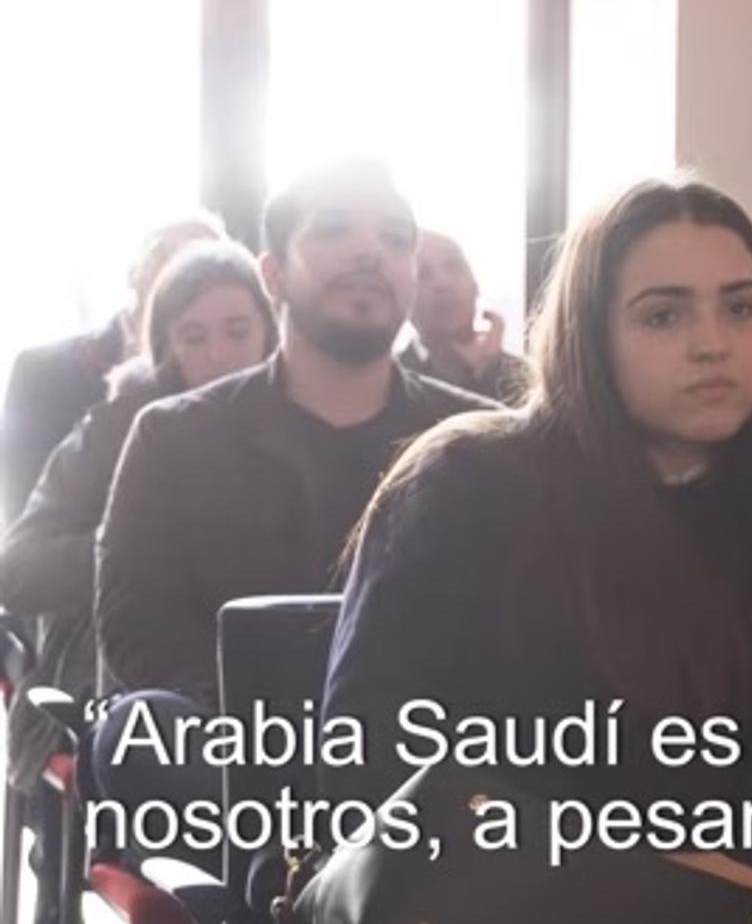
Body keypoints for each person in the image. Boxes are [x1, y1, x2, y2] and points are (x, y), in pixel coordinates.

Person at [323, 178, 752, 924]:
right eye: (663, 315)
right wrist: (655, 870)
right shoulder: (466, 481)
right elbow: (370, 768)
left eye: (740, 308)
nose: (713, 342)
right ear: (589, 334)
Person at [91, 159, 493, 815]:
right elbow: (137, 627)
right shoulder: (172, 435)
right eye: (335, 229)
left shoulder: (478, 442)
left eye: (395, 238)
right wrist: (272, 732)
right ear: (273, 274)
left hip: (419, 763)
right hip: (238, 755)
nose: (370, 250)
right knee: (137, 732)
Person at [0, 239, 275, 924]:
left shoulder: (292, 426)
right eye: (195, 336)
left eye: (238, 331)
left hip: (274, 692)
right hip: (129, 683)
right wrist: (128, 542)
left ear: (271, 329)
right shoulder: (121, 428)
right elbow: (17, 566)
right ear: (166, 346)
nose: (220, 353)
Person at [1, 214, 223, 523]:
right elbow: (24, 522)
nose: (190, 275)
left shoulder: (230, 373)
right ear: (134, 273)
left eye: (211, 263)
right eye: (171, 254)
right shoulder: (43, 371)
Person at [398, 229, 531, 405]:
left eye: (453, 266)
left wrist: (489, 371)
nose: (443, 282)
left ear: (475, 284)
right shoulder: (383, 384)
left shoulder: (530, 379)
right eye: (422, 273)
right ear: (402, 297)